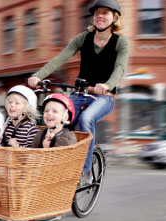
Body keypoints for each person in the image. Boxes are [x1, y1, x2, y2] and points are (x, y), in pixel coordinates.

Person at [27, 0, 130, 177]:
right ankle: (60, 161)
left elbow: (120, 68)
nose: (100, 16)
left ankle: (85, 170)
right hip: (79, 92)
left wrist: (107, 86)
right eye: (97, 13)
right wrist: (39, 75)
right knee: (58, 116)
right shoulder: (83, 38)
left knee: (86, 118)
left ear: (114, 18)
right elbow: (60, 58)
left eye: (105, 13)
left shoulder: (121, 42)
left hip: (103, 97)